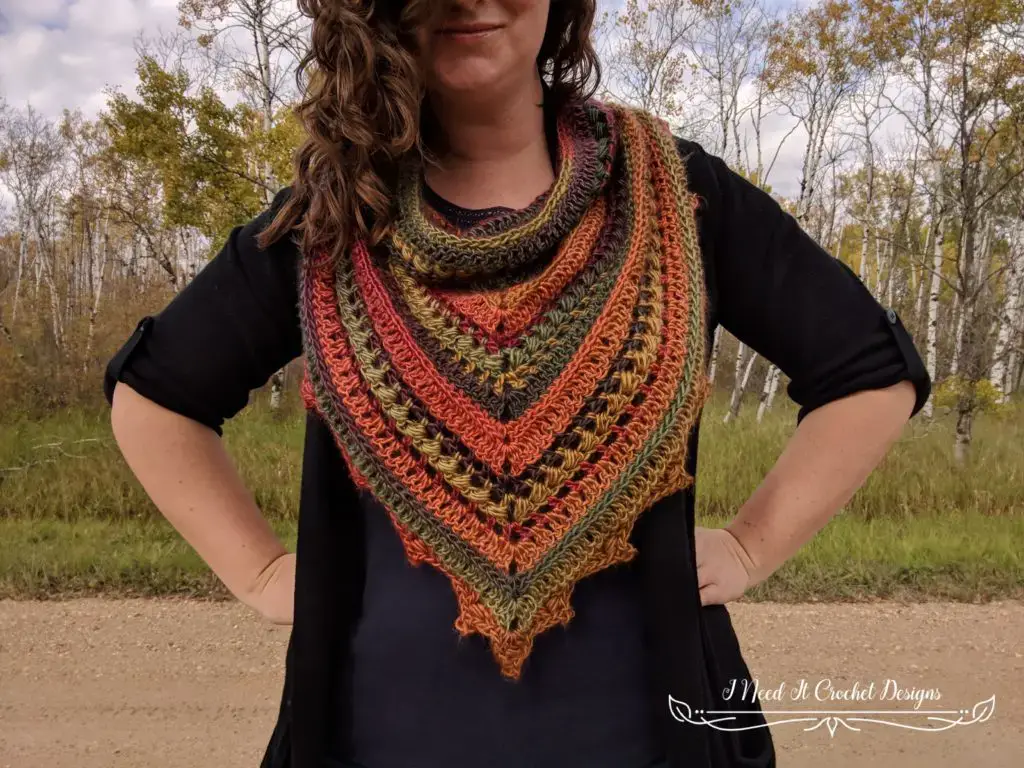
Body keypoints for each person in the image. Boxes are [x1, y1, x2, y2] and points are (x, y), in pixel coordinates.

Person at [102, 1, 931, 767]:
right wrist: (259, 574)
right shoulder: (332, 217)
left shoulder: (677, 194)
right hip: (377, 738)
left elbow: (867, 369)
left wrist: (752, 545)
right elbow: (157, 395)